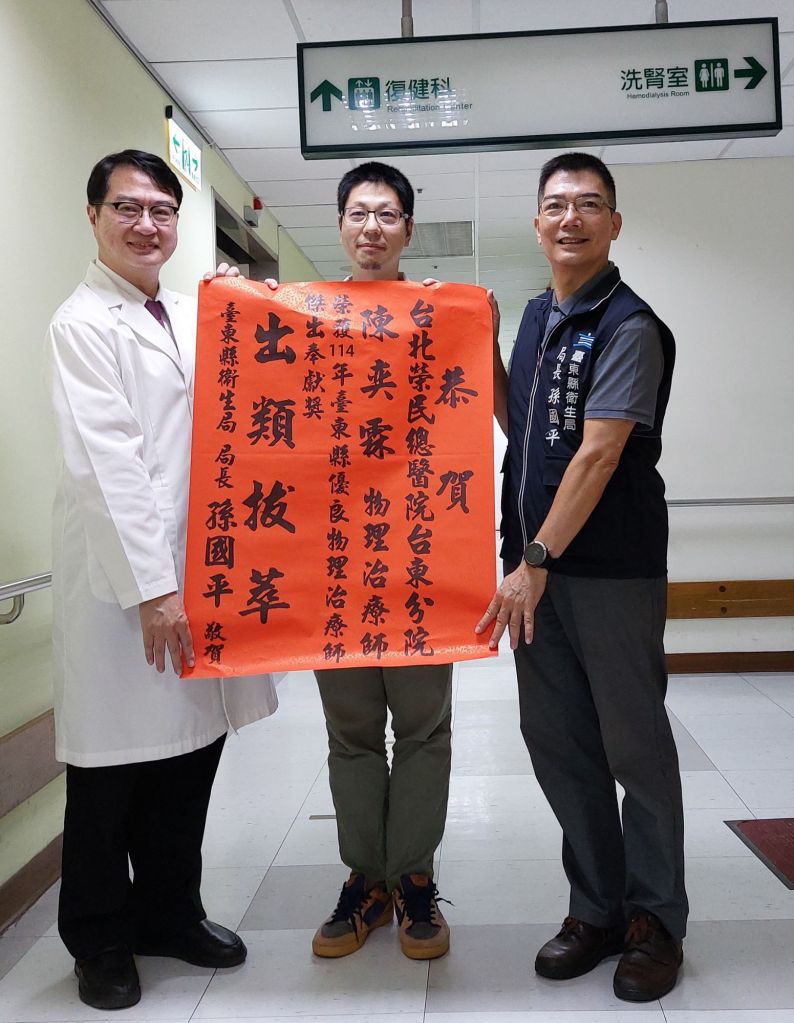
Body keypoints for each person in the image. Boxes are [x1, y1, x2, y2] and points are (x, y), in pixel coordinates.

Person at [47, 150, 278, 1011]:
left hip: (203, 576)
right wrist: (153, 588)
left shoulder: (190, 312)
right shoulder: (82, 325)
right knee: (110, 775)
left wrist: (251, 303)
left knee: (190, 758)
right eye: (127, 208)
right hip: (126, 591)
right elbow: (107, 466)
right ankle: (101, 938)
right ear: (94, 216)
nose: (146, 225)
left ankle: (171, 913)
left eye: (162, 211)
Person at [478, 152, 687, 1002]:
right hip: (538, 573)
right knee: (560, 744)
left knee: (634, 747)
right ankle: (596, 908)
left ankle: (656, 920)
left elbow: (598, 454)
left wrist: (533, 561)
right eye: (557, 205)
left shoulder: (630, 325)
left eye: (589, 204)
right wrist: (481, 348)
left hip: (607, 573)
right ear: (537, 224)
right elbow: (520, 422)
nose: (572, 218)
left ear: (614, 224)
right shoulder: (537, 316)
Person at [306, 161, 455, 962]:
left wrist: (463, 319)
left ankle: (415, 876)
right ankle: (366, 876)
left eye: (387, 214)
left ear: (407, 229)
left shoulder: (436, 316)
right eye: (358, 213)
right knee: (352, 731)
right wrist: (227, 298)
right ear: (340, 226)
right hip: (336, 565)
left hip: (421, 564)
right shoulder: (306, 322)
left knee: (424, 728)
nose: (372, 227)